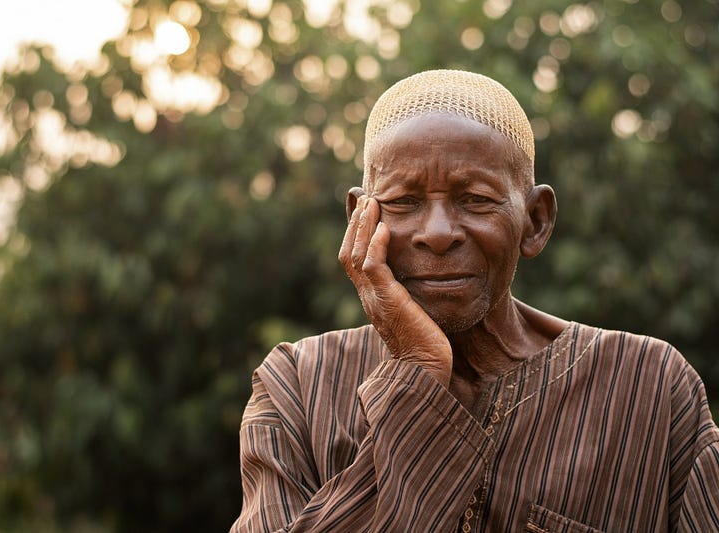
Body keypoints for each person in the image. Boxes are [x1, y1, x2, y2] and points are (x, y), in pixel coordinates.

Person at [230, 70, 719, 532]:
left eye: (476, 199)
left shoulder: (650, 387)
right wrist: (416, 369)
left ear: (535, 221)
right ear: (362, 218)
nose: (438, 234)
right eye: (403, 201)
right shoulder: (296, 383)